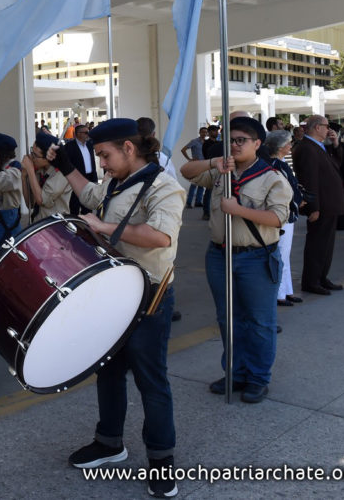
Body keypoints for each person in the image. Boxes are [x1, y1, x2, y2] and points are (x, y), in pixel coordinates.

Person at [48, 118, 183, 497]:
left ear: (128, 148)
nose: (102, 163)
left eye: (105, 155)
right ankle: (110, 443)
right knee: (107, 372)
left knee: (151, 382)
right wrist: (66, 168)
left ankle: (161, 462)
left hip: (148, 298)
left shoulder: (164, 187)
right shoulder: (117, 181)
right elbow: (94, 197)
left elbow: (160, 236)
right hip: (112, 295)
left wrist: (103, 229)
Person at [183, 117, 291, 404]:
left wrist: (238, 209)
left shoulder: (272, 177)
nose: (234, 145)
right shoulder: (222, 172)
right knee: (228, 319)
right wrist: (213, 162)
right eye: (231, 139)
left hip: (255, 257)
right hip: (219, 254)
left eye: (241, 140)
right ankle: (236, 372)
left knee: (259, 321)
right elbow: (186, 171)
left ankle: (258, 378)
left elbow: (278, 217)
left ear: (258, 144)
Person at [292, 115, 344, 295]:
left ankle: (321, 277)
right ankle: (312, 281)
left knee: (326, 244)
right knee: (317, 244)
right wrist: (313, 207)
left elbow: (336, 165)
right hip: (321, 206)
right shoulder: (307, 148)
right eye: (326, 126)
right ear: (316, 128)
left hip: (328, 204)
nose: (329, 129)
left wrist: (336, 144)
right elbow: (309, 180)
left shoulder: (317, 146)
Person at [264, 131, 303, 306]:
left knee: (284, 254)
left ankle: (286, 291)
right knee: (280, 254)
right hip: (283, 214)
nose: (290, 146)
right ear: (281, 147)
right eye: (288, 143)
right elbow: (285, 191)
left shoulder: (277, 163)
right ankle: (280, 293)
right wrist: (298, 201)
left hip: (286, 213)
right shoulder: (276, 165)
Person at [21, 132, 72, 222]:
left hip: (55, 227)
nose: (30, 157)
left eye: (34, 155)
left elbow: (41, 200)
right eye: (31, 151)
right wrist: (24, 177)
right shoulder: (40, 170)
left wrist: (30, 170)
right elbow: (30, 203)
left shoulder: (61, 174)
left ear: (47, 159)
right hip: (38, 224)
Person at [64, 124, 97, 215]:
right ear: (78, 134)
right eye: (86, 133)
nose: (88, 134)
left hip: (89, 178)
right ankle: (74, 225)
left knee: (88, 207)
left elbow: (92, 161)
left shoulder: (89, 145)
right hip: (76, 179)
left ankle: (87, 227)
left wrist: (95, 178)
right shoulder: (69, 146)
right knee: (74, 205)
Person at [180, 127, 208, 208]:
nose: (204, 134)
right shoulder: (194, 141)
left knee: (202, 183)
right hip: (196, 164)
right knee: (194, 183)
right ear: (199, 132)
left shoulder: (206, 142)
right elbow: (183, 149)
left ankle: (198, 202)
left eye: (206, 132)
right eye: (202, 132)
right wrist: (189, 159)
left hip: (204, 165)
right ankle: (189, 202)